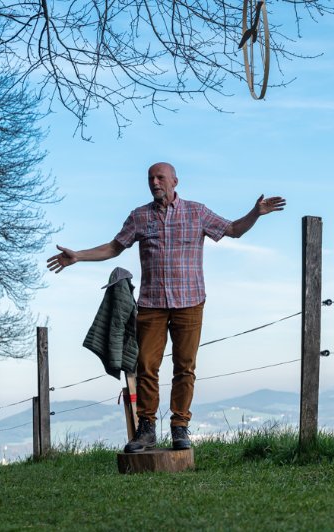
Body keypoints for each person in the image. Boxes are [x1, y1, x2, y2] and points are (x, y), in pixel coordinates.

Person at [47, 162, 285, 453]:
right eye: (150, 178)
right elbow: (114, 247)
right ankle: (146, 430)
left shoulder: (196, 212)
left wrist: (255, 213)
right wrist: (78, 256)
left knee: (185, 368)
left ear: (175, 181)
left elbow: (233, 230)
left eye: (160, 177)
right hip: (152, 304)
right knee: (146, 367)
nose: (155, 182)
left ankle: (179, 427)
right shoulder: (139, 217)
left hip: (190, 302)